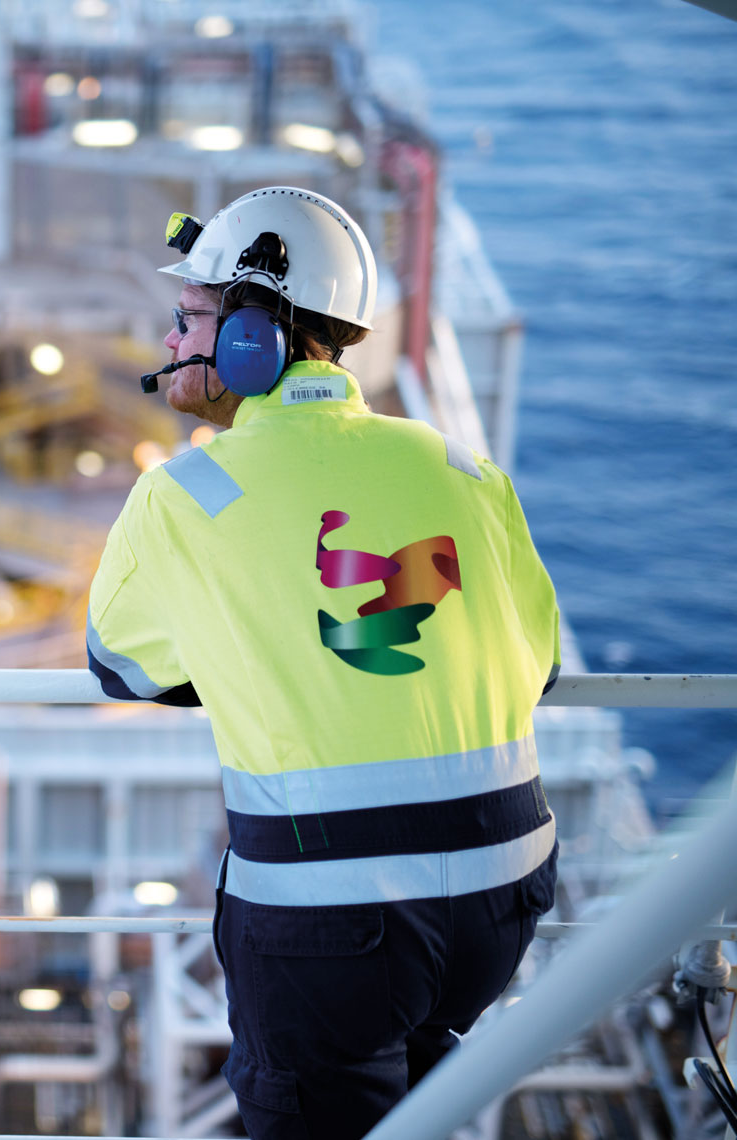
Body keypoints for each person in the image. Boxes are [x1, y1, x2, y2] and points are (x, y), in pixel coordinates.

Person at [86, 186, 560, 1140]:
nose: (173, 342)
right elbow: (537, 660)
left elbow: (122, 667)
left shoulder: (187, 492)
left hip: (331, 927)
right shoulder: (462, 468)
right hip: (505, 902)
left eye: (190, 320)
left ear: (254, 338)